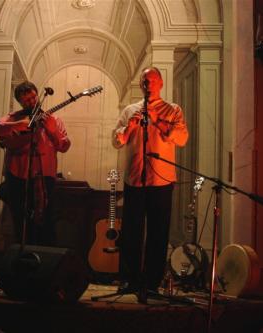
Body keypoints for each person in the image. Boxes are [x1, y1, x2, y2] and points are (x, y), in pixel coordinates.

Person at [112, 67, 188, 301]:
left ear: (161, 83)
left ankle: (152, 282)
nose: (149, 85)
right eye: (145, 82)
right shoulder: (130, 110)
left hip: (162, 180)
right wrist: (129, 128)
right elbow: (117, 140)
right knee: (131, 232)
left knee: (158, 232)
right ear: (141, 84)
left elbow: (182, 138)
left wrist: (157, 121)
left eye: (153, 81)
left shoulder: (172, 110)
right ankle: (130, 280)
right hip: (135, 179)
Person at [0, 81, 70, 246]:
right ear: (20, 102)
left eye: (33, 97)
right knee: (20, 221)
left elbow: (64, 146)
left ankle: (42, 259)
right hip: (17, 176)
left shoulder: (53, 119)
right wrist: (18, 124)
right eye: (27, 100)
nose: (32, 102)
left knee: (45, 222)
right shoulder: (14, 116)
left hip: (44, 177)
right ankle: (21, 259)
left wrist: (52, 129)